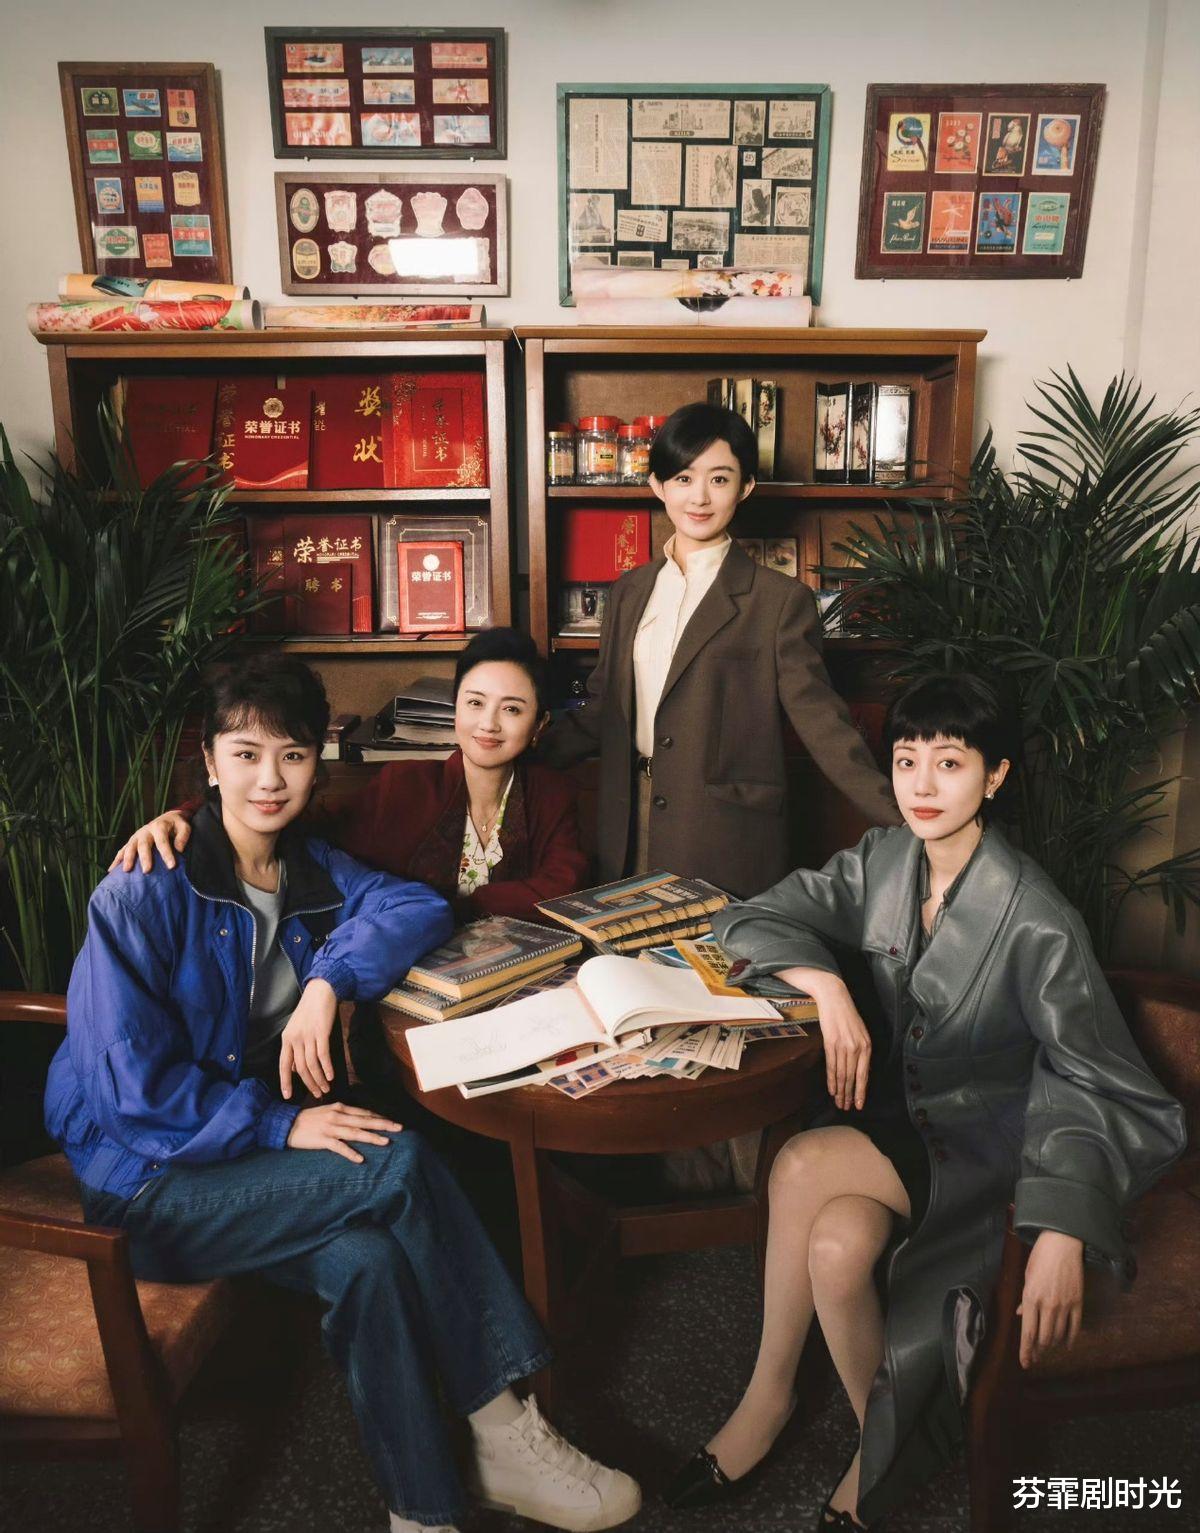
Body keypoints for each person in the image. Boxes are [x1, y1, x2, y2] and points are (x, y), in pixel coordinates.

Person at [46, 653, 640, 1533]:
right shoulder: (141, 889)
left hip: (239, 1164)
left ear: (316, 764)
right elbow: (130, 1095)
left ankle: (424, 1510)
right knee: (395, 1161)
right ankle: (504, 1425)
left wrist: (327, 981)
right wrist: (279, 1124)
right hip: (148, 1183)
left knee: (370, 1260)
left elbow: (416, 907)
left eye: (291, 756)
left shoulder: (310, 869)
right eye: (245, 754)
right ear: (208, 761)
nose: (268, 779)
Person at [661, 671, 1185, 1531]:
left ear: (996, 776)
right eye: (907, 760)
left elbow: (1096, 1075)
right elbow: (748, 917)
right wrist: (827, 985)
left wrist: (1062, 1222)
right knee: (835, 1247)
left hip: (989, 1148)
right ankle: (888, 1441)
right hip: (904, 1123)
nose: (923, 784)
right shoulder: (883, 860)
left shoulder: (1038, 917)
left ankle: (767, 1398)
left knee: (800, 1162)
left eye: (950, 761)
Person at [538, 401, 900, 901]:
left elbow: (822, 722)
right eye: (683, 478)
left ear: (745, 487)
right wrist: (512, 756)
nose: (700, 497)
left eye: (720, 479)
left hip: (723, 834)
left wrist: (905, 818)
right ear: (657, 485)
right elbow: (603, 708)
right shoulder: (628, 592)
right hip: (625, 821)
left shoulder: (779, 601)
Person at [112, 626, 587, 923]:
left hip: (518, 977)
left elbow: (561, 889)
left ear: (540, 724)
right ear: (455, 706)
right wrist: (186, 814)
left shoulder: (551, 793)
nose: (488, 724)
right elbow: (293, 821)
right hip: (406, 978)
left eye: (512, 709)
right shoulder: (404, 787)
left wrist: (443, 905)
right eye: (475, 702)